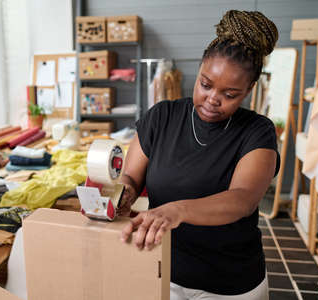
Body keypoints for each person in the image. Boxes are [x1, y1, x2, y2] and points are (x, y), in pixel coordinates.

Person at [119, 10, 280, 300]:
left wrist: (177, 211)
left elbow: (242, 199)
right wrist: (123, 194)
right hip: (164, 273)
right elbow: (130, 176)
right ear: (199, 71)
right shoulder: (162, 117)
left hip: (231, 285)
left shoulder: (258, 132)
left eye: (230, 94)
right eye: (205, 84)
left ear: (249, 90)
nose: (212, 99)